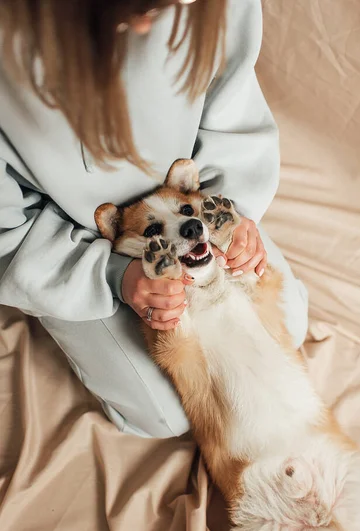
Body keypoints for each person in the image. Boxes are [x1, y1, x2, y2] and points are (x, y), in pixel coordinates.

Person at [0, 0, 308, 437]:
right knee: (165, 417)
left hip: (195, 200)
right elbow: (4, 231)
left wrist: (229, 216)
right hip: (64, 248)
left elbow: (233, 105)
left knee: (289, 327)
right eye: (132, 9)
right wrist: (113, 275)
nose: (147, 25)